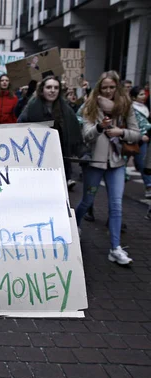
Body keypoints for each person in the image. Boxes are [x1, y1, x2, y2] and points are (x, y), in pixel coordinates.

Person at [75, 71, 140, 265]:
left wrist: (122, 132)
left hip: (117, 162)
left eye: (112, 87)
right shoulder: (90, 106)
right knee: (87, 200)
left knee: (116, 204)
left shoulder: (125, 106)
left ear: (117, 87)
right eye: (105, 88)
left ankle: (115, 248)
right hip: (95, 162)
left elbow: (136, 133)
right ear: (99, 88)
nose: (109, 91)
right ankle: (74, 226)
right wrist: (99, 128)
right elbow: (86, 134)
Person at [17, 76, 82, 191]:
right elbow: (20, 127)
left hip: (59, 158)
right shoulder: (31, 107)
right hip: (36, 159)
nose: (52, 90)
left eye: (56, 88)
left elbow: (75, 133)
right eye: (49, 87)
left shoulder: (66, 110)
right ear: (42, 90)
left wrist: (82, 153)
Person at [129, 86, 151, 198]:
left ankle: (148, 185)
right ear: (133, 97)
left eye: (144, 94)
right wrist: (141, 135)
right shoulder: (130, 108)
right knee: (123, 163)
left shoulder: (146, 107)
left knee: (143, 163)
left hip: (144, 141)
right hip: (130, 139)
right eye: (141, 94)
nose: (144, 96)